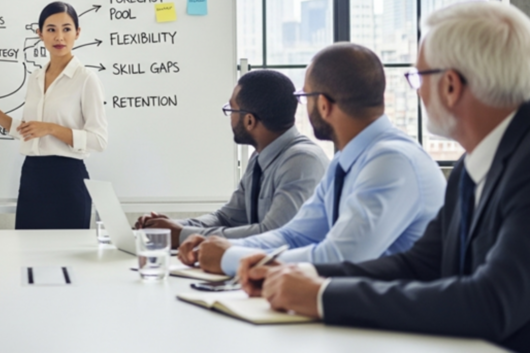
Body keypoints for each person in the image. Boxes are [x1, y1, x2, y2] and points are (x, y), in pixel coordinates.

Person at [238, 0, 530, 351]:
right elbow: (422, 263)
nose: (417, 89)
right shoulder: (473, 165)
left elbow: (491, 302)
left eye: (419, 77)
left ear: (450, 86)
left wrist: (324, 296)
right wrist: (306, 276)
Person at [179, 43, 446, 275]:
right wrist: (218, 246)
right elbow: (296, 234)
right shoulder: (345, 161)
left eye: (304, 96)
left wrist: (230, 258)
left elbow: (340, 257)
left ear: (323, 104)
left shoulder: (391, 161)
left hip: (397, 325)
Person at [135, 70, 328, 248]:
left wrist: (183, 235)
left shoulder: (302, 161)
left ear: (250, 120)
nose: (230, 118)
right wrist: (170, 226)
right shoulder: (260, 157)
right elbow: (228, 217)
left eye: (232, 110)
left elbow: (273, 234)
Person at [0, 1, 108, 229]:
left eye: (66, 29)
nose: (59, 36)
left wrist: (51, 128)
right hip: (33, 177)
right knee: (28, 255)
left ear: (77, 33)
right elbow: (28, 130)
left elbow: (98, 140)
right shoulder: (35, 77)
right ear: (40, 33)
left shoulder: (86, 79)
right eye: (51, 29)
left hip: (68, 178)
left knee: (68, 258)